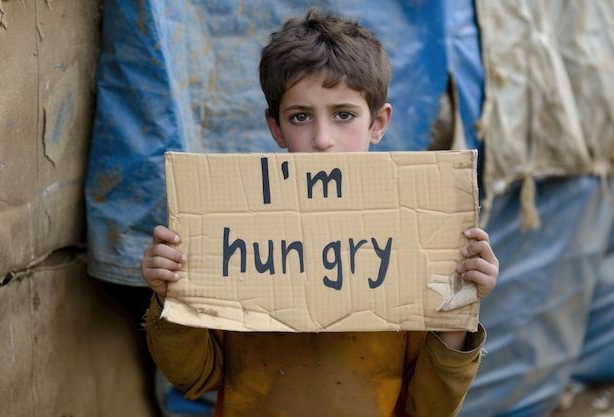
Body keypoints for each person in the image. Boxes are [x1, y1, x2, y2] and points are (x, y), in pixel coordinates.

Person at [141, 7, 499, 417]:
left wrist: (457, 307)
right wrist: (169, 292)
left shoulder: (416, 242)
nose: (323, 140)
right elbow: (195, 375)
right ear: (276, 128)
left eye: (344, 115)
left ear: (377, 123)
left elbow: (430, 408)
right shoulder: (238, 234)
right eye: (300, 117)